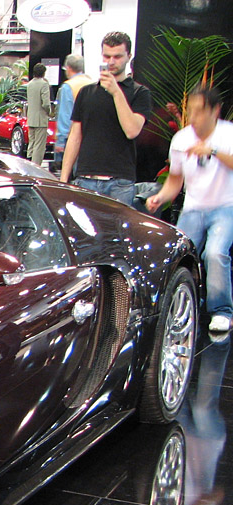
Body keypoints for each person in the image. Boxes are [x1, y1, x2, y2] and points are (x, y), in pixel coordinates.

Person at [147, 86, 233, 333]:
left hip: (226, 207)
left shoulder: (228, 134)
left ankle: (222, 311)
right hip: (193, 208)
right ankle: (181, 303)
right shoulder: (181, 139)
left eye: (199, 111)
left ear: (215, 111)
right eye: (190, 111)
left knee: (215, 253)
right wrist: (160, 197)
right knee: (177, 254)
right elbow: (176, 180)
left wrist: (213, 151)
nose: (193, 117)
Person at [60, 31, 152, 206]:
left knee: (118, 225)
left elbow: (132, 130)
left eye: (117, 56)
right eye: (107, 56)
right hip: (85, 178)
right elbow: (75, 136)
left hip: (119, 181)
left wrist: (116, 92)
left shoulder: (140, 93)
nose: (111, 62)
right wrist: (64, 179)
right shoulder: (86, 92)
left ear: (129, 56)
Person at [53, 54, 92, 173]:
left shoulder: (68, 87)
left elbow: (65, 116)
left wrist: (60, 141)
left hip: (73, 137)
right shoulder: (92, 83)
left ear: (68, 68)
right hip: (90, 137)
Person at [25, 62, 51, 167]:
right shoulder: (44, 84)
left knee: (32, 143)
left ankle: (28, 163)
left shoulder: (30, 84)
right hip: (40, 119)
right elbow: (46, 103)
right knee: (39, 146)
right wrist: (49, 112)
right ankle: (35, 167)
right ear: (44, 73)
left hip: (31, 118)